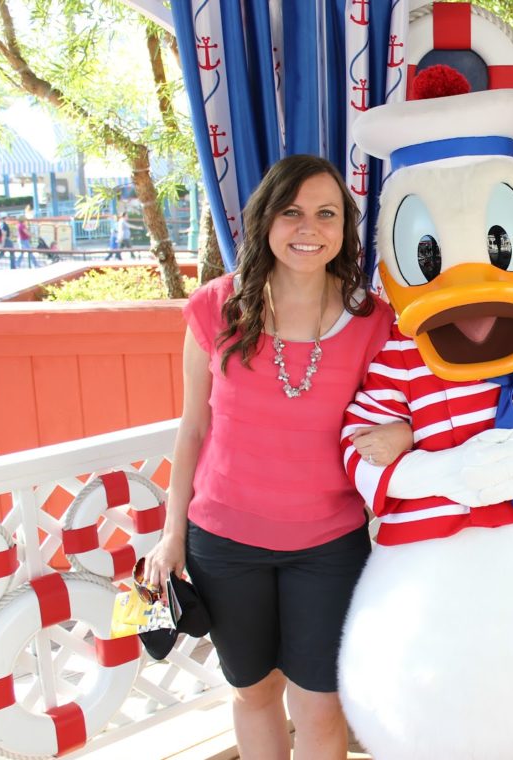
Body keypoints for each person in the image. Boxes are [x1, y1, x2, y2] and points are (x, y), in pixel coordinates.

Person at [142, 154, 402, 760]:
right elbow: (192, 427)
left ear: (344, 228)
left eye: (326, 214)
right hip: (224, 544)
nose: (308, 228)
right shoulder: (214, 308)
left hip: (329, 546)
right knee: (254, 693)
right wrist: (170, 534)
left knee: (319, 701)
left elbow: (404, 409)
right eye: (292, 212)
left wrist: (405, 435)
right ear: (265, 220)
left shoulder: (373, 320)